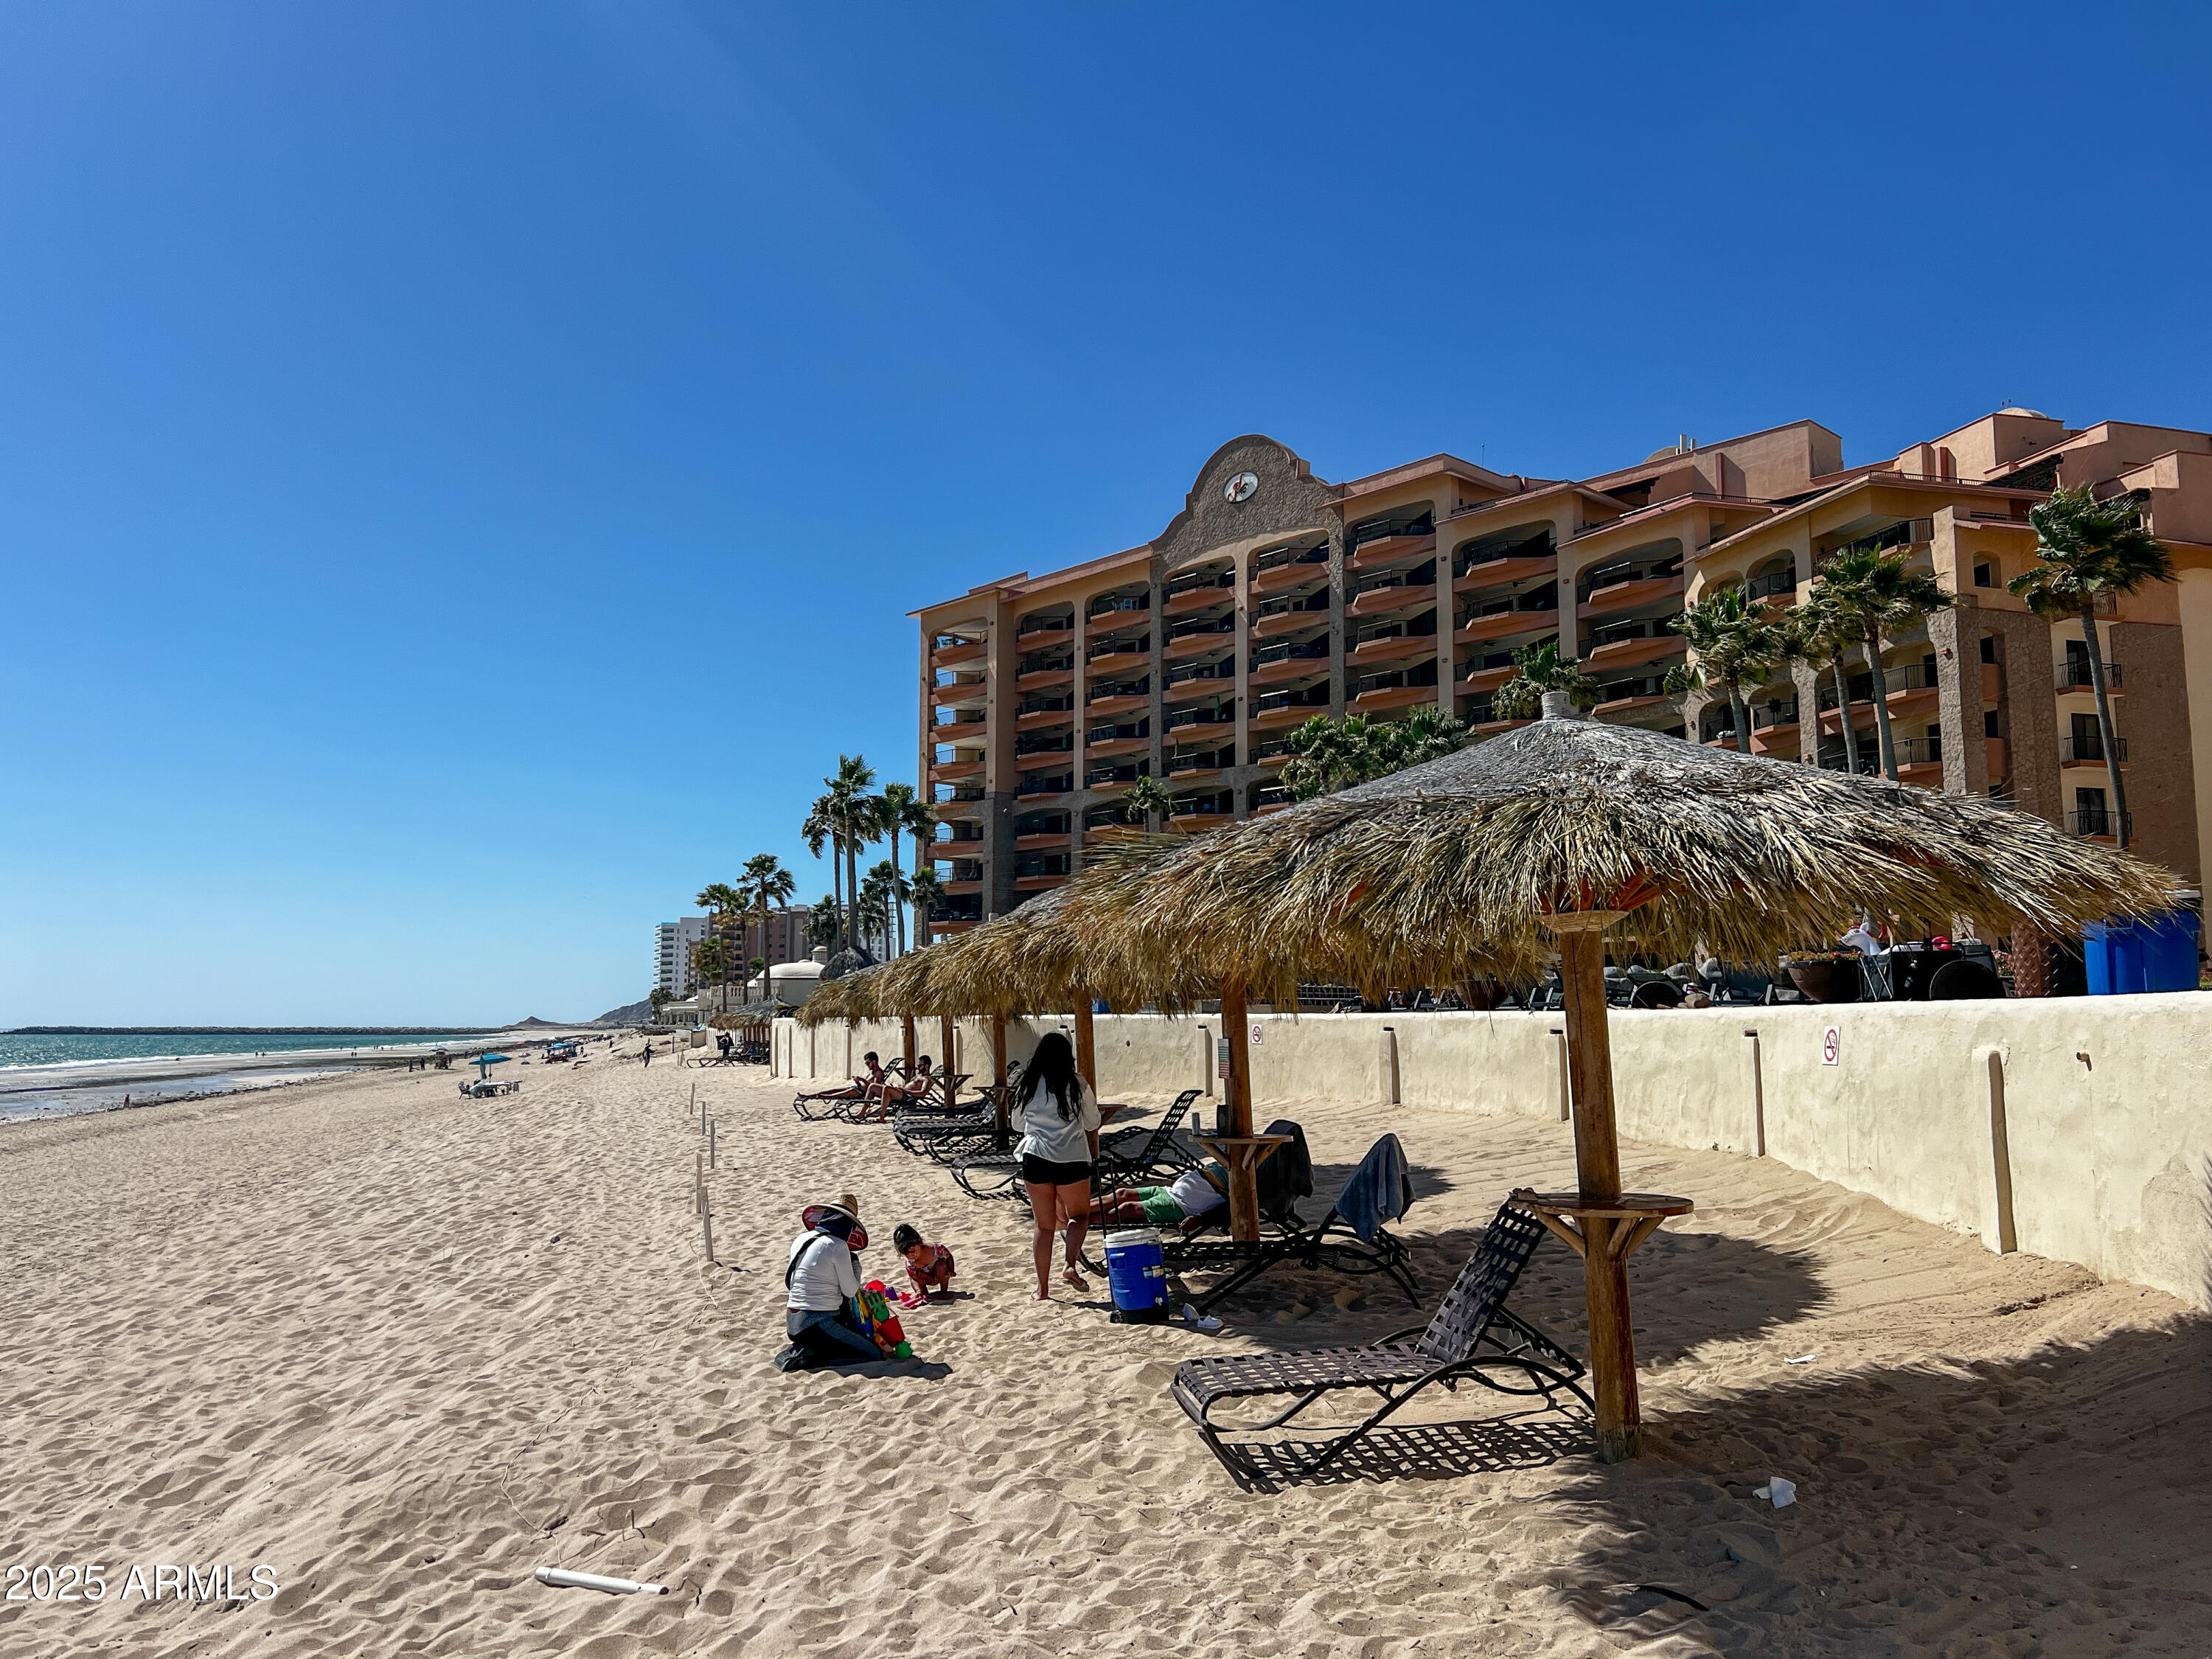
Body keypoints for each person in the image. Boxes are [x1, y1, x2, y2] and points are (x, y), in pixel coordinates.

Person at [1013, 1031, 1101, 1299]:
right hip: (1071, 1157)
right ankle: (1069, 1265)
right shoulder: (1076, 1083)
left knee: (1044, 1226)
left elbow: (1017, 1124)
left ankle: (1042, 1289)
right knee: (1080, 1217)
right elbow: (1092, 1122)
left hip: (1036, 1156)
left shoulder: (1028, 1083)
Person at [785, 1199, 893, 1365]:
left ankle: (811, 1348)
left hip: (793, 1322)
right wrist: (856, 1267)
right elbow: (850, 1290)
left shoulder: (801, 1239)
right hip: (817, 1322)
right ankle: (808, 1357)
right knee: (872, 1353)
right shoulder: (837, 1245)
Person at [1094, 1161, 1228, 1231]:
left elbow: (1230, 1207)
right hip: (1169, 1190)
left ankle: (1082, 1221)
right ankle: (1075, 1211)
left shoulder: (1245, 1176)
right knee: (1122, 1193)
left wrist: (1201, 1218)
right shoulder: (1238, 1152)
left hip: (1181, 1204)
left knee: (1127, 1208)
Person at [891, 1222, 957, 1301]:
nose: (911, 1255)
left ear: (919, 1241)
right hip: (926, 1279)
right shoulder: (911, 1263)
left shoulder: (935, 1250)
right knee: (917, 1275)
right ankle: (923, 1293)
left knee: (941, 1264)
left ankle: (943, 1292)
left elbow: (949, 1256)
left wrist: (951, 1270)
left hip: (940, 1275)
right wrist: (918, 1290)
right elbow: (913, 1279)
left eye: (913, 1250)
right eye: (906, 1253)